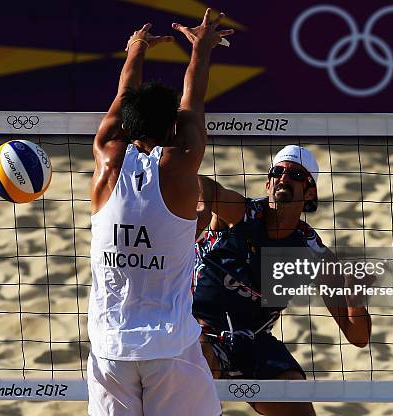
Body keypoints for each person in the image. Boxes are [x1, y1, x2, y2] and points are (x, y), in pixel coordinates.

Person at [88, 10, 234, 416]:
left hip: (110, 346)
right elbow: (193, 102)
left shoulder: (106, 161)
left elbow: (122, 99)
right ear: (171, 129)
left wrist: (134, 48)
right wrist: (201, 49)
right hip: (169, 347)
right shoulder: (179, 167)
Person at [194, 145, 372, 416]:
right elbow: (204, 183)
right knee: (198, 362)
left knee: (298, 404)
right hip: (199, 329)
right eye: (278, 171)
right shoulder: (240, 215)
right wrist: (205, 207)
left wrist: (356, 302)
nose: (284, 177)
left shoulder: (314, 254)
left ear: (310, 192)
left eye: (297, 175)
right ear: (268, 184)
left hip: (252, 341)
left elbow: (358, 337)